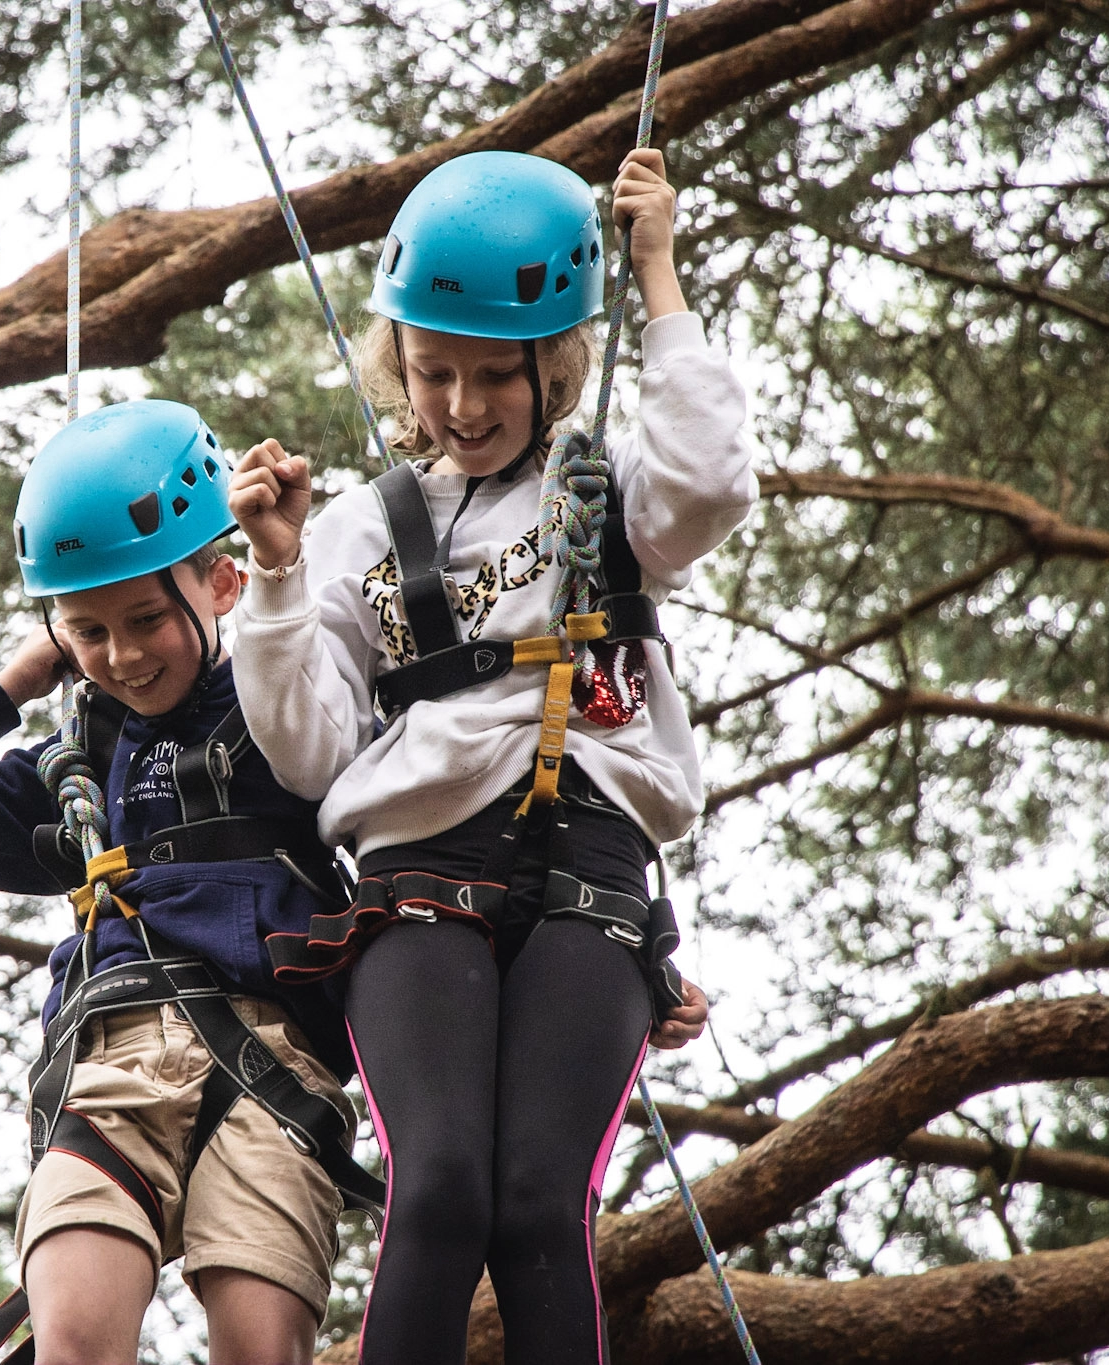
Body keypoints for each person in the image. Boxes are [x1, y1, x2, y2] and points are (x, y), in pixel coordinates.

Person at [226, 148, 755, 1364]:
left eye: (492, 378)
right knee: (444, 1186)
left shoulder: (612, 490)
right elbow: (308, 753)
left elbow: (713, 483)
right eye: (432, 375)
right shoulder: (361, 528)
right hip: (421, 871)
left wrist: (656, 270)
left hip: (591, 868)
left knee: (534, 1206)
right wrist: (272, 574)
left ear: (551, 367)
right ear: (396, 365)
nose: (461, 407)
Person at [0, 399, 376, 1365]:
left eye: (142, 620)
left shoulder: (293, 710)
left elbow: (440, 807)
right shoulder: (78, 772)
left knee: (264, 1352)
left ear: (219, 585)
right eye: (89, 632)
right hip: (112, 1061)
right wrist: (12, 684)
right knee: (76, 1342)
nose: (123, 657)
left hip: (274, 1066)